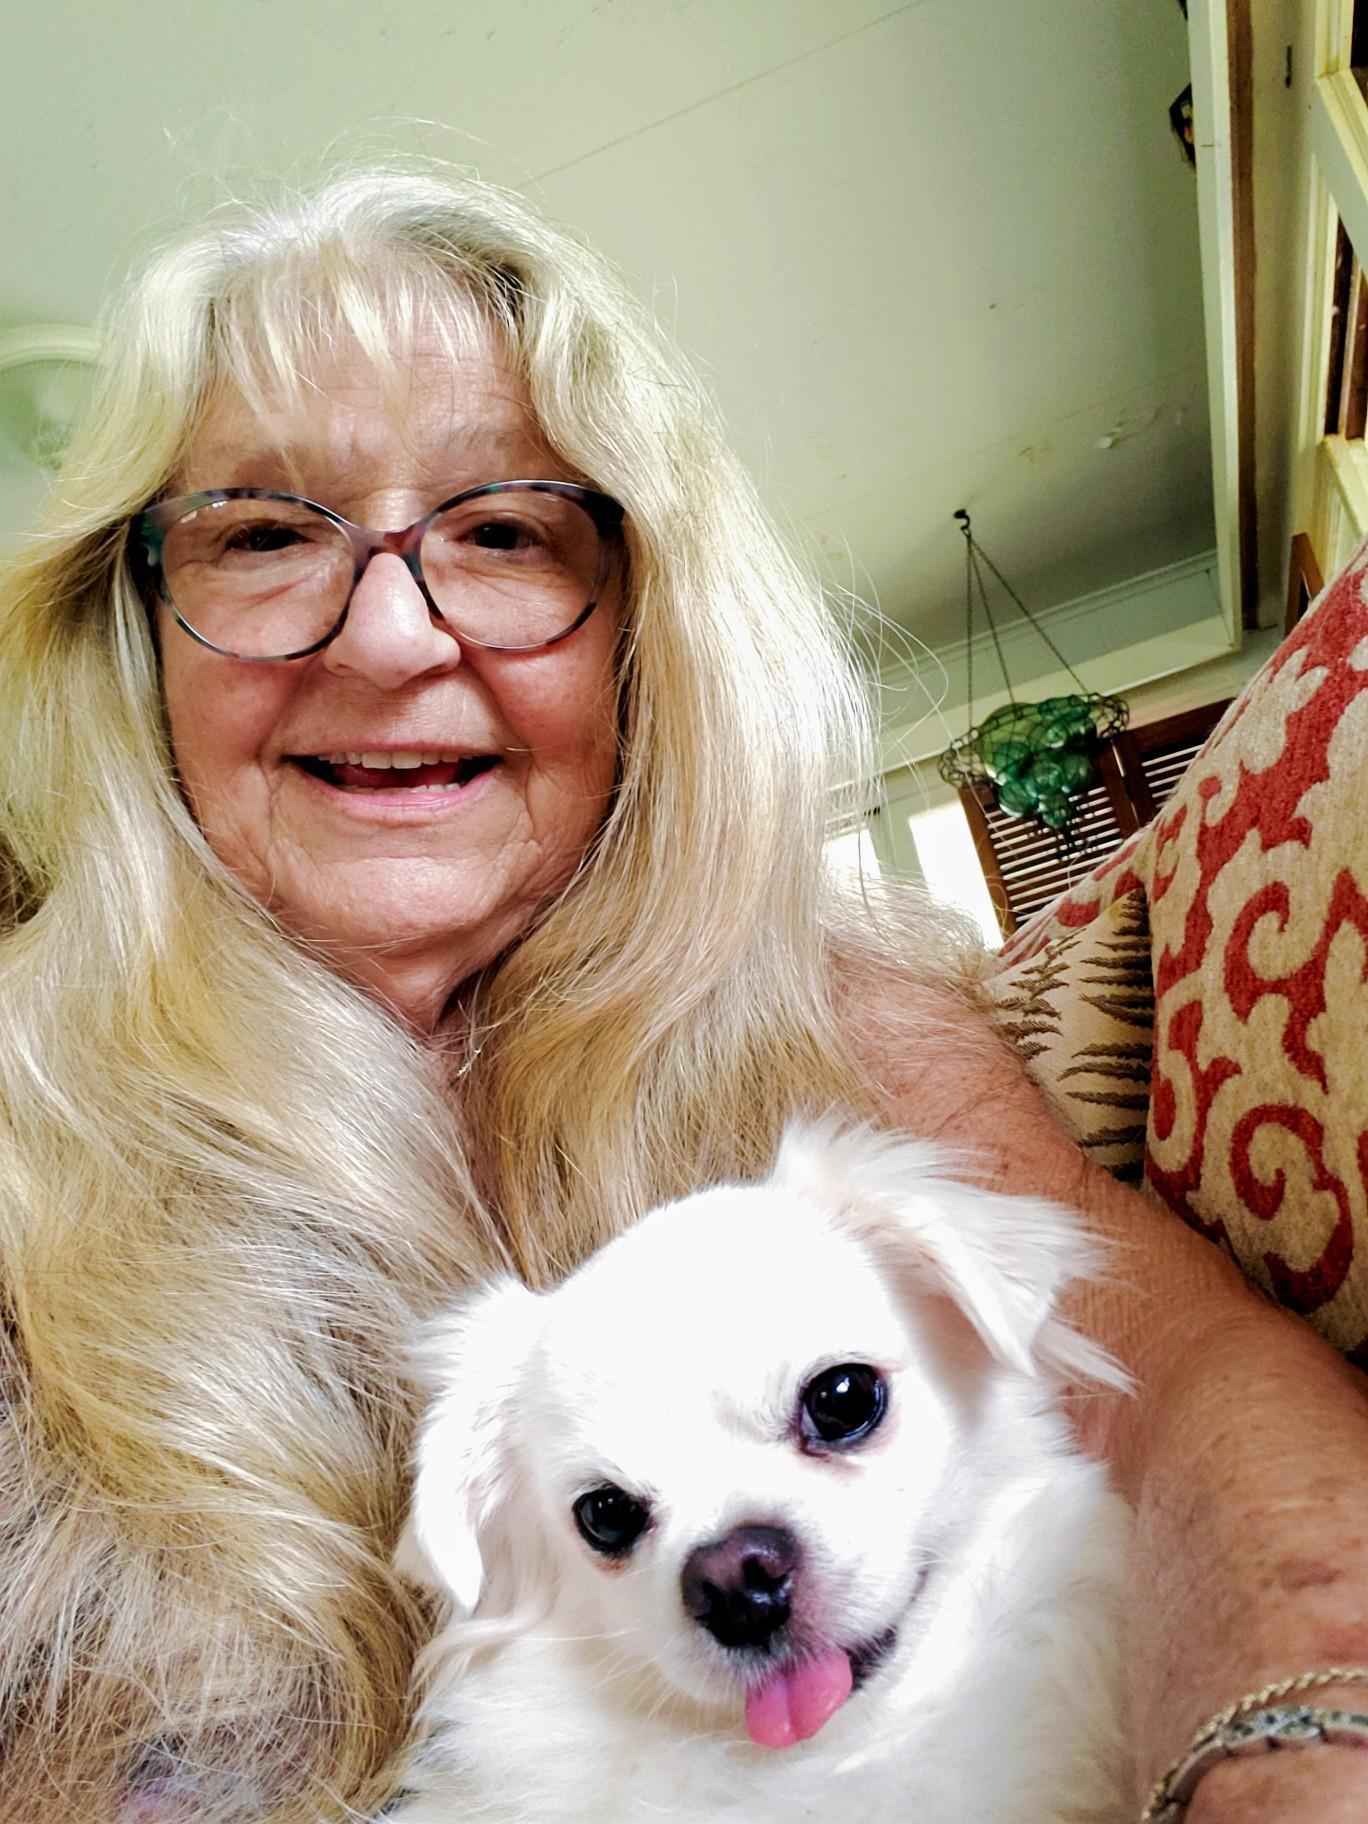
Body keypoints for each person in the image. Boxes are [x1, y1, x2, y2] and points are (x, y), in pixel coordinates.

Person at [1, 165, 1367, 1824]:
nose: (382, 635)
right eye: (268, 536)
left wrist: (1293, 1752)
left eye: (502, 530)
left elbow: (1165, 1380)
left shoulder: (831, 1008)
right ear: (133, 631)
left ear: (644, 633)